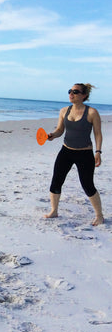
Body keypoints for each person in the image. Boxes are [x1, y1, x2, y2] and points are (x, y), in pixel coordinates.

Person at [44, 83, 104, 226]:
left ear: (84, 96)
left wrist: (98, 152)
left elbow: (98, 134)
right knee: (56, 180)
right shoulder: (64, 110)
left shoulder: (91, 113)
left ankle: (99, 216)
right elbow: (60, 130)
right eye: (70, 91)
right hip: (66, 151)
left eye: (75, 92)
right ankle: (54, 211)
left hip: (84, 153)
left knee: (88, 185)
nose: (71, 93)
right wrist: (52, 135)